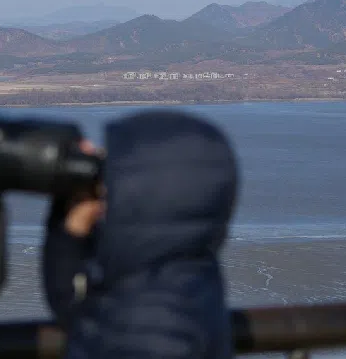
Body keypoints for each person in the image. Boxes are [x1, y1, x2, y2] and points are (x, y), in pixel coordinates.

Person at [43, 110, 239, 359]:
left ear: (145, 193)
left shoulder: (156, 320)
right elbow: (74, 307)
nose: (104, 177)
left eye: (114, 168)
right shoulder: (174, 274)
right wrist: (70, 224)